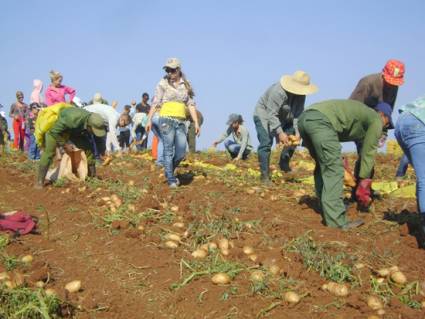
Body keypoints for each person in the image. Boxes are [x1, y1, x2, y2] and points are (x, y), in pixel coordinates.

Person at [298, 100, 393, 229]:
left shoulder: (363, 114)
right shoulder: (376, 120)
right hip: (321, 122)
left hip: (305, 118)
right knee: (335, 170)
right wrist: (364, 181)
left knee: (323, 165)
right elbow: (368, 153)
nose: (384, 129)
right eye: (387, 124)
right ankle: (337, 221)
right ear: (383, 115)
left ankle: (325, 207)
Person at [253, 71, 318, 184]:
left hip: (284, 117)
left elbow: (297, 115)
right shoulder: (278, 92)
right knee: (266, 142)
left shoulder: (301, 96)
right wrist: (280, 133)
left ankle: (284, 163)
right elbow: (271, 114)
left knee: (293, 136)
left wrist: (298, 133)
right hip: (264, 114)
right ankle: (264, 177)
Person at [146, 58, 200, 188]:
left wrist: (196, 122)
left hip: (181, 121)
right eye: (167, 70)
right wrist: (149, 119)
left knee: (181, 151)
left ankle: (168, 169)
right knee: (168, 149)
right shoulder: (162, 83)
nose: (170, 73)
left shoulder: (186, 84)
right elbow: (155, 102)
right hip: (166, 120)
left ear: (178, 70)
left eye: (172, 70)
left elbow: (191, 104)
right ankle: (171, 179)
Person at [350, 59, 405, 183]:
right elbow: (352, 106)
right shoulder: (368, 82)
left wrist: (384, 131)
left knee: (368, 155)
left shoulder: (394, 87)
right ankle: (361, 187)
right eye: (390, 81)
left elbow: (388, 109)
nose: (391, 85)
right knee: (366, 153)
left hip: (376, 124)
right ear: (383, 74)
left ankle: (362, 186)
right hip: (359, 121)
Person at [36, 107, 106, 188]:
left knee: (88, 147)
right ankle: (39, 181)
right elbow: (54, 132)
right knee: (49, 153)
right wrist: (65, 145)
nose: (94, 132)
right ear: (89, 125)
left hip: (72, 130)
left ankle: (92, 176)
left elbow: (96, 138)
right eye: (93, 130)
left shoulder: (90, 121)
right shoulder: (72, 118)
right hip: (54, 129)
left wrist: (102, 151)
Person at [394, 96, 425, 248]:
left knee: (422, 178)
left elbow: (410, 153)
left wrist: (400, 173)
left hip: (402, 121)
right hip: (419, 124)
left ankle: (422, 222)